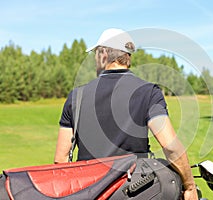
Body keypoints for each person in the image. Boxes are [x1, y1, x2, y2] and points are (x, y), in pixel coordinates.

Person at [54, 28, 198, 199]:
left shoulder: (76, 96)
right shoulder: (148, 92)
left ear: (103, 54)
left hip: (88, 191)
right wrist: (189, 186)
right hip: (133, 192)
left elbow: (60, 160)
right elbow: (171, 147)